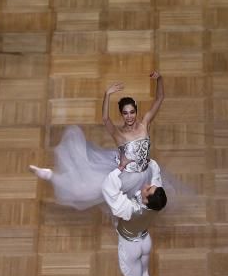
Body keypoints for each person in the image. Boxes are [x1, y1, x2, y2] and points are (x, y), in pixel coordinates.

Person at [30, 72, 164, 210]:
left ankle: (131, 217)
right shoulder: (119, 134)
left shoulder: (145, 124)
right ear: (122, 114)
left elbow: (160, 98)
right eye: (125, 113)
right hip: (125, 176)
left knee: (146, 201)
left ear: (136, 111)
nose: (129, 116)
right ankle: (50, 175)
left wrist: (159, 79)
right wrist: (107, 95)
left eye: (132, 112)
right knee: (82, 190)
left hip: (145, 174)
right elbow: (106, 119)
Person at [102, 152, 166, 276]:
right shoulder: (158, 200)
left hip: (130, 246)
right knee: (145, 274)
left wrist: (120, 169)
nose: (146, 186)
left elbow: (110, 191)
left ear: (146, 199)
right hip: (145, 240)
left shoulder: (130, 209)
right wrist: (147, 161)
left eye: (147, 190)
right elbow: (155, 174)